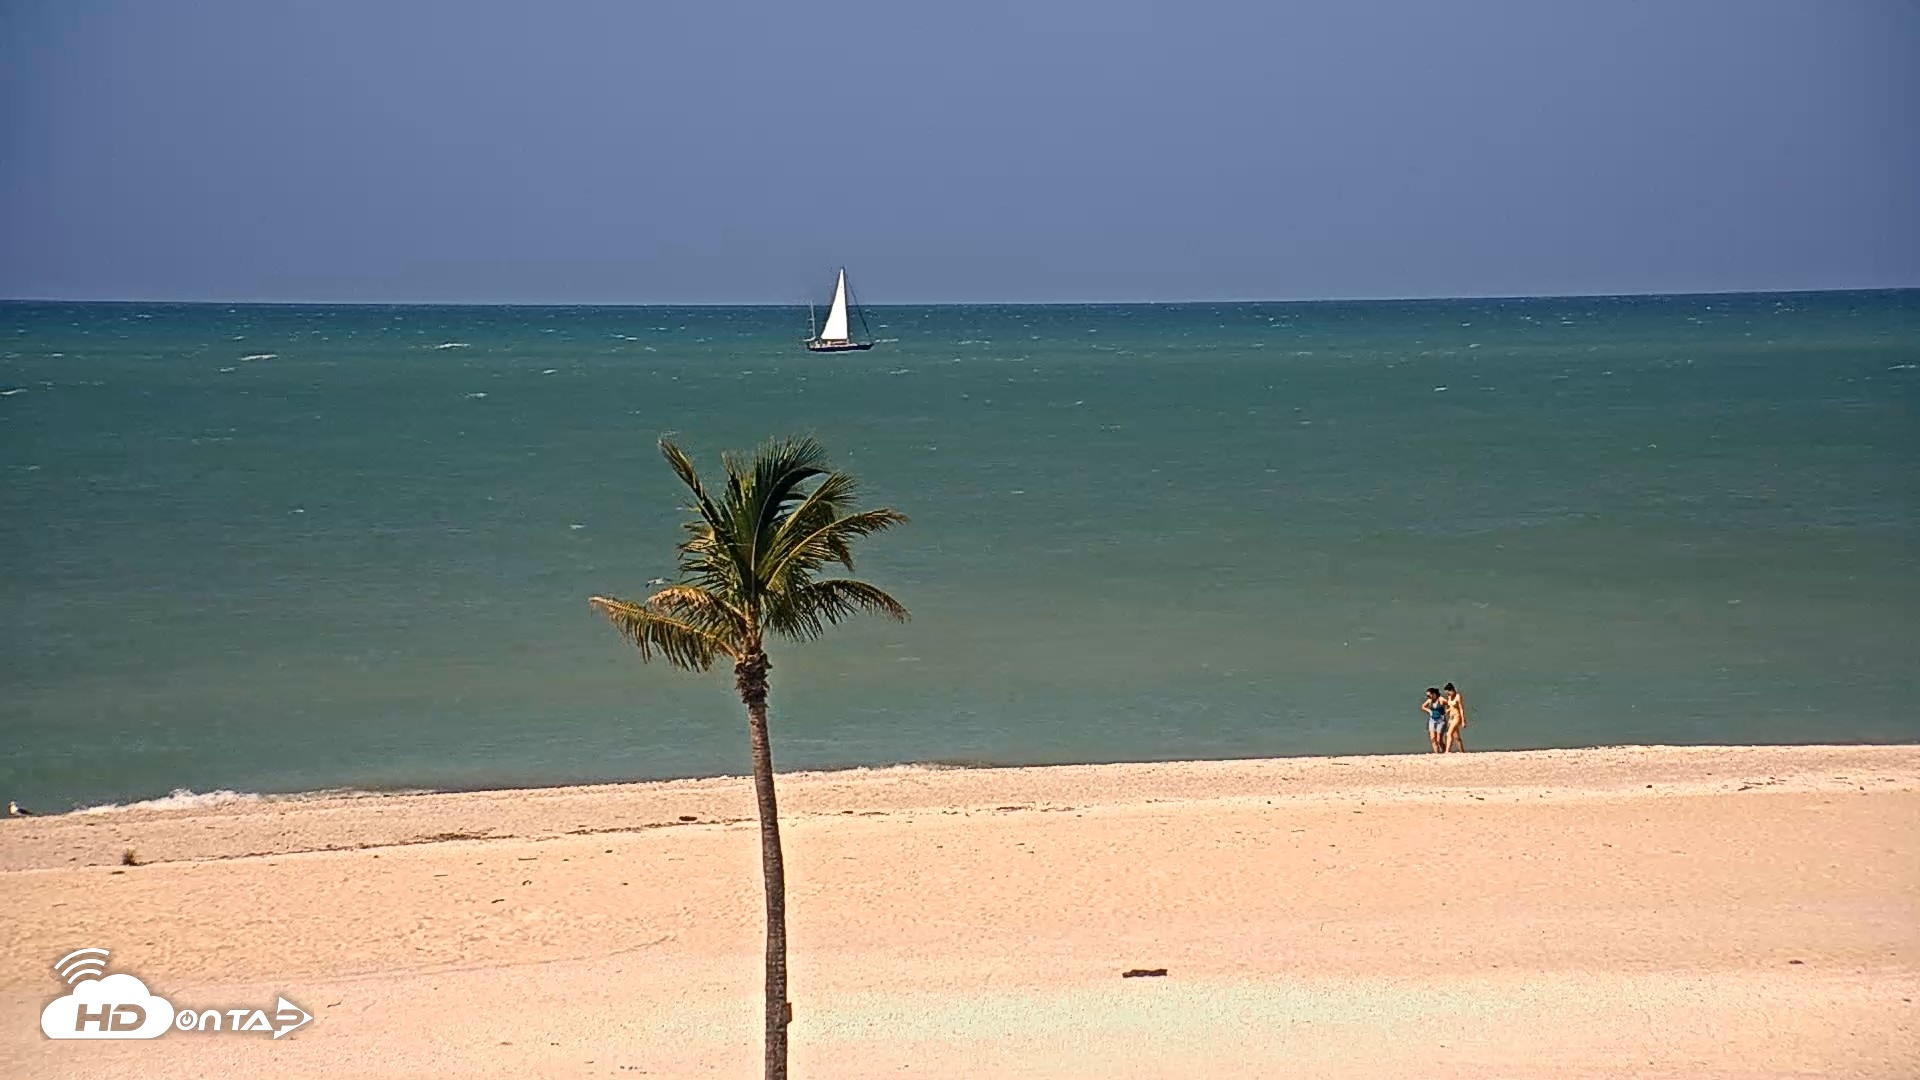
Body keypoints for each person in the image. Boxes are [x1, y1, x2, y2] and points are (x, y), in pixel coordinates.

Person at [1443, 682, 1468, 752]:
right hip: (1451, 717)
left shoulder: (1457, 696)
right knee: (1456, 737)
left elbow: (1461, 708)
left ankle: (1447, 751)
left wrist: (1463, 720)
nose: (1448, 694)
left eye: (1448, 693)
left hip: (1457, 717)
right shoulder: (1449, 697)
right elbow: (1451, 707)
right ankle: (1462, 751)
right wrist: (1447, 711)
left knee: (1449, 733)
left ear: (1452, 690)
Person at [1422, 688, 1447, 753]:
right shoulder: (1429, 701)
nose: (1428, 697)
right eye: (1427, 696)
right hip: (1432, 720)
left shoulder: (1441, 699)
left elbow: (1450, 705)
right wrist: (1429, 711)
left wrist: (1446, 712)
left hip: (1441, 720)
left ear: (1434, 694)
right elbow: (1423, 706)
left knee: (1439, 740)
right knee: (1433, 739)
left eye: (1429, 695)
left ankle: (1445, 751)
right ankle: (1436, 753)